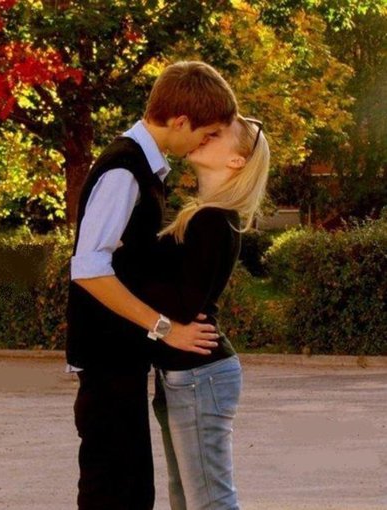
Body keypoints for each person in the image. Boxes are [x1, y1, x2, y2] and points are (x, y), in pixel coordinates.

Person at [66, 61, 238, 510]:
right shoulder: (125, 170)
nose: (205, 143)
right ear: (180, 121)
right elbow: (88, 269)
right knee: (114, 495)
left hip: (121, 362)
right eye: (206, 133)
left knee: (131, 492)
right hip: (106, 363)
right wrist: (166, 329)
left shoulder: (144, 168)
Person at [144, 115, 270, 510]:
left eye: (215, 135)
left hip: (201, 375)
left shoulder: (213, 220)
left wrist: (120, 271)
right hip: (189, 373)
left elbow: (185, 304)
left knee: (210, 502)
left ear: (236, 161)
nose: (202, 136)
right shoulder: (205, 216)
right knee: (187, 499)